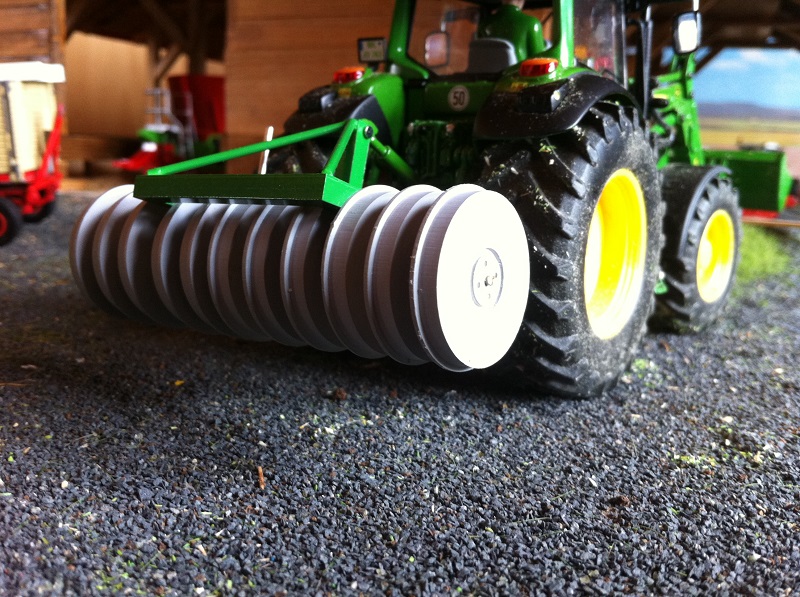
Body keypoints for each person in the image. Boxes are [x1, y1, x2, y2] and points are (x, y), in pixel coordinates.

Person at [478, 0, 545, 63]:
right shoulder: (532, 23)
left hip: (487, 71)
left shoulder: (484, 25)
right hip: (518, 71)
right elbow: (540, 60)